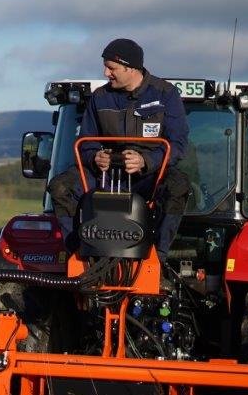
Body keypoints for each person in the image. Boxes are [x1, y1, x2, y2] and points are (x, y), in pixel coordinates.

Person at [49, 38, 190, 258]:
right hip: (104, 177)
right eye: (105, 67)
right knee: (60, 187)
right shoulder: (100, 98)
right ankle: (78, 253)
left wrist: (146, 161)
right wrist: (95, 156)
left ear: (130, 68)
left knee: (177, 186)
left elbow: (178, 144)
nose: (106, 73)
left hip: (148, 179)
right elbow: (86, 141)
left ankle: (157, 257)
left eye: (111, 68)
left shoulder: (165, 94)